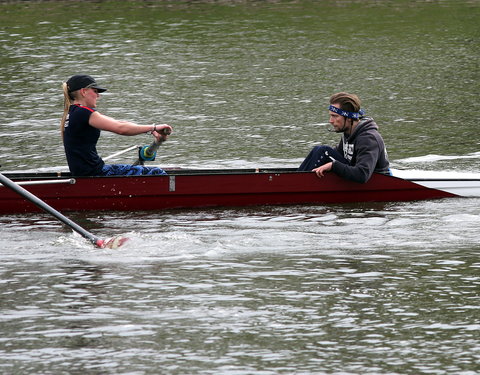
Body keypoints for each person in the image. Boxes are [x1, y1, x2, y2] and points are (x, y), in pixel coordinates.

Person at [60, 74, 173, 176]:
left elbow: (119, 123)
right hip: (95, 173)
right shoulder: (83, 112)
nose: (98, 96)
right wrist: (154, 127)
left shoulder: (73, 113)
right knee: (157, 173)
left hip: (84, 173)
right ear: (83, 92)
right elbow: (121, 129)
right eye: (95, 91)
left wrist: (150, 129)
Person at [298, 92, 390, 183]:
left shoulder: (368, 138)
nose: (330, 121)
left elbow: (362, 175)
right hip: (355, 172)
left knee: (324, 151)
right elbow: (337, 156)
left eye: (335, 116)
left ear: (349, 118)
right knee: (318, 150)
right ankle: (297, 179)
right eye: (330, 116)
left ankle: (298, 184)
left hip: (378, 181)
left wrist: (332, 166)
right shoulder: (349, 131)